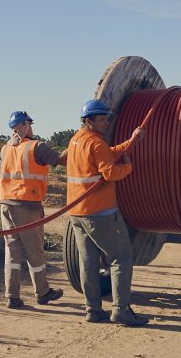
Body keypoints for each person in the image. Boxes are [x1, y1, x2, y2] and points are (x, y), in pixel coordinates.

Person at [64, 98, 149, 327]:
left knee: (88, 261)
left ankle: (93, 309)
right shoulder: (97, 143)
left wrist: (131, 141)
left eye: (107, 119)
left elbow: (106, 153)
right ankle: (121, 310)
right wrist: (128, 167)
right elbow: (110, 172)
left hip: (77, 213)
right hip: (99, 212)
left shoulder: (76, 141)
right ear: (88, 121)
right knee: (120, 257)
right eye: (101, 119)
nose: (106, 123)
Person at [0, 110, 65, 309]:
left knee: (12, 252)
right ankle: (43, 292)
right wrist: (77, 146)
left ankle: (12, 296)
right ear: (26, 124)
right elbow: (60, 160)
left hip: (6, 205)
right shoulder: (36, 146)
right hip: (27, 205)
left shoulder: (4, 149)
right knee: (34, 250)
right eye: (29, 123)